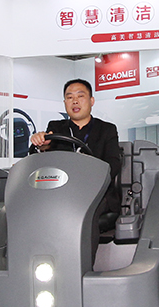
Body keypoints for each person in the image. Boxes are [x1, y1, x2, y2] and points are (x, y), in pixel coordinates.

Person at [29, 79, 122, 250]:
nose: (75, 101)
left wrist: (92, 179)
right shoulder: (55, 127)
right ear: (65, 102)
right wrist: (42, 145)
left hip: (97, 194)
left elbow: (113, 163)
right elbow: (43, 156)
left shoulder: (107, 129)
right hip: (62, 193)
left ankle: (82, 264)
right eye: (69, 97)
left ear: (91, 101)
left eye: (80, 96)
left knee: (83, 217)